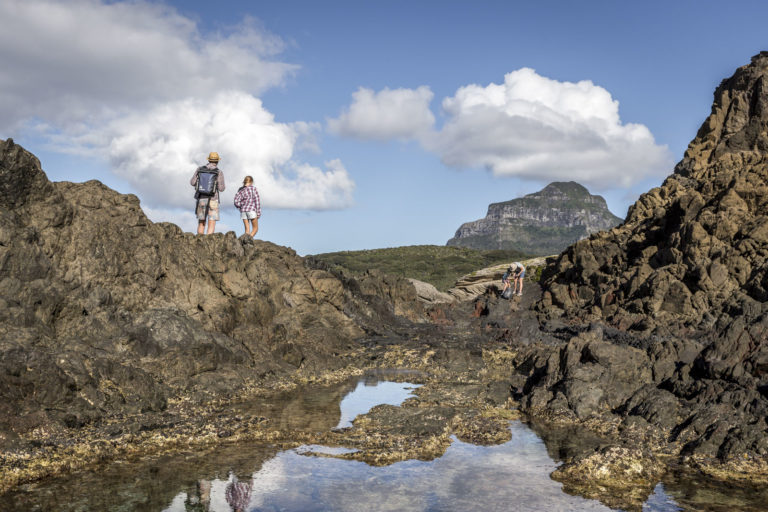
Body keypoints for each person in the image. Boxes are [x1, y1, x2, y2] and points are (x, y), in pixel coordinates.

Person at [190, 152, 225, 235]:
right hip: (213, 199)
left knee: (201, 221)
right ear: (217, 161)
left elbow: (192, 182)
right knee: (212, 221)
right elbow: (221, 188)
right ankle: (209, 242)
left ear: (208, 160)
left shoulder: (200, 169)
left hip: (201, 198)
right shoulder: (219, 172)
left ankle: (200, 241)